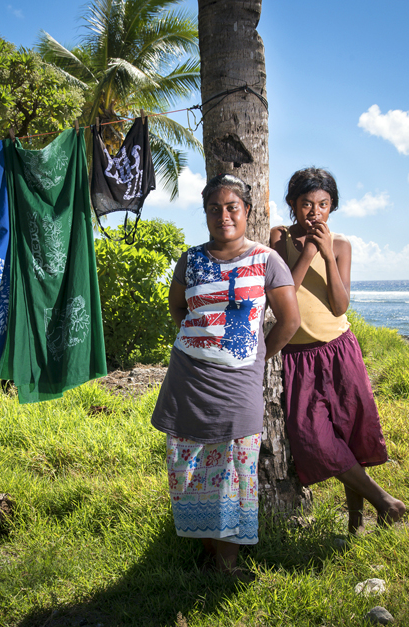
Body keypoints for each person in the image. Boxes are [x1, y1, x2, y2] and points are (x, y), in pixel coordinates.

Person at [151, 173, 300, 579]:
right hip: (188, 380)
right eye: (214, 209)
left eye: (231, 207)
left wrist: (255, 354)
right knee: (189, 469)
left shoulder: (267, 260)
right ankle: (207, 550)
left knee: (235, 471)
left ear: (247, 211)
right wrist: (200, 343)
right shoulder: (192, 259)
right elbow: (178, 309)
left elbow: (289, 320)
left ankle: (227, 564)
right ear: (205, 214)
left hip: (238, 386)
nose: (223, 215)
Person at [270, 167, 405, 534]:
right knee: (315, 439)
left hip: (339, 350)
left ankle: (356, 522)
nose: (315, 212)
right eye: (307, 204)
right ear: (293, 205)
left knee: (348, 436)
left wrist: (327, 255)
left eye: (323, 205)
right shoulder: (278, 239)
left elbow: (340, 305)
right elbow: (285, 291)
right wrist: (309, 249)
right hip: (299, 357)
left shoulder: (342, 245)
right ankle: (386, 502)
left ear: (332, 207)